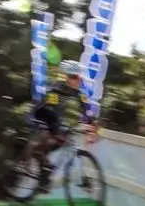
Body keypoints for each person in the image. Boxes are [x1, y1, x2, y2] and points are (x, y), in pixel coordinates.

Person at [26, 59, 99, 188]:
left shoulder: (80, 95)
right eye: (76, 77)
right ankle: (41, 169)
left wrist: (92, 123)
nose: (79, 80)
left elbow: (88, 110)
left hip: (60, 127)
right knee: (46, 140)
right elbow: (46, 112)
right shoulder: (55, 91)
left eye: (80, 77)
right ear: (66, 78)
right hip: (43, 121)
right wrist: (54, 127)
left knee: (61, 140)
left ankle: (47, 170)